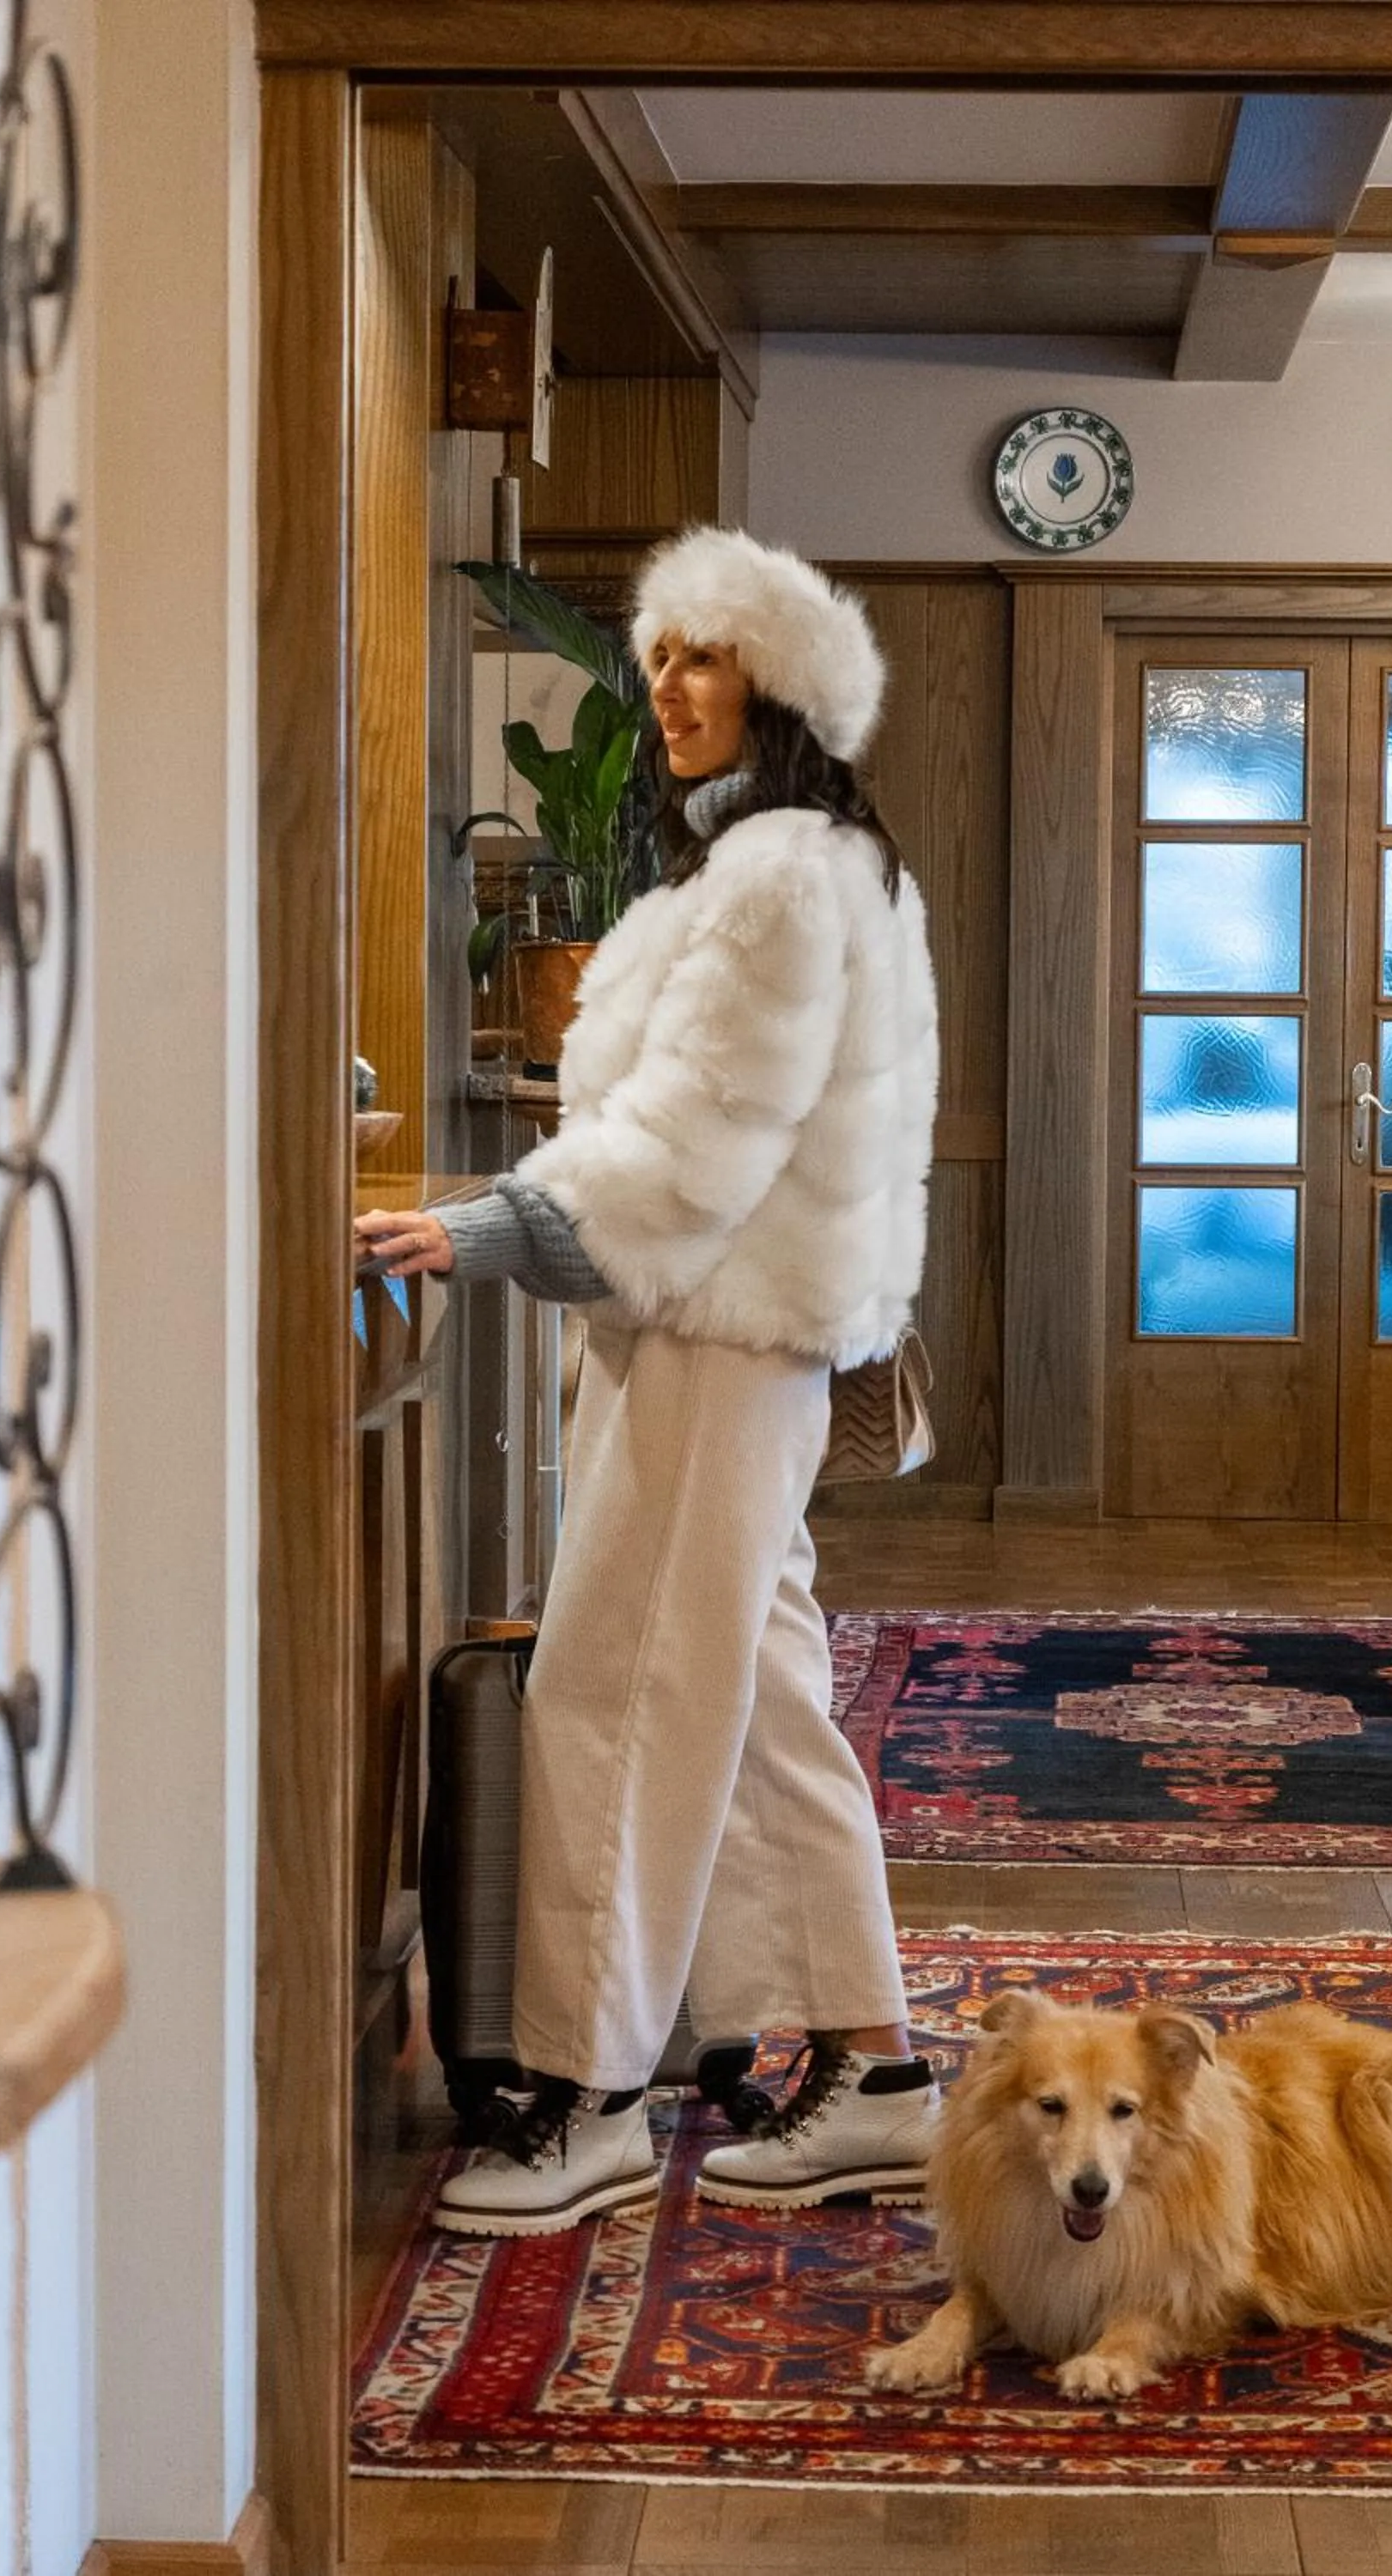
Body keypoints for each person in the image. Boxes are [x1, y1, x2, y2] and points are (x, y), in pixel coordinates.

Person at [355, 526, 941, 2237]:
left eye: (705, 657)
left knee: (617, 1699)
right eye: (659, 655)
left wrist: (480, 1231)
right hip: (735, 1339)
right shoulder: (808, 865)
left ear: (785, 683)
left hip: (711, 1339)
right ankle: (881, 2071)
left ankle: (589, 2098)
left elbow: (695, 1147)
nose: (668, 690)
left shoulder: (775, 875)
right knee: (753, 1700)